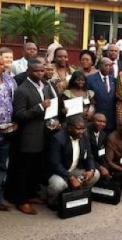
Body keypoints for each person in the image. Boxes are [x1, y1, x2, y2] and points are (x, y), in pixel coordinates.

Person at [12, 58, 54, 214]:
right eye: (37, 70)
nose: (41, 73)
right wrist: (39, 107)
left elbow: (51, 107)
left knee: (36, 168)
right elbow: (19, 115)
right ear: (29, 71)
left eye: (42, 70)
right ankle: (21, 201)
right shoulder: (22, 90)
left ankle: (31, 195)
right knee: (24, 170)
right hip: (28, 137)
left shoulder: (46, 86)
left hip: (44, 134)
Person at [47, 115, 100, 206]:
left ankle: (78, 195)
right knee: (58, 185)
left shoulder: (84, 136)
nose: (81, 132)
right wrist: (70, 178)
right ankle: (52, 201)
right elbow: (55, 164)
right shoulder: (58, 139)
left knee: (95, 174)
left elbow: (89, 156)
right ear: (69, 128)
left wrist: (91, 170)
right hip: (60, 172)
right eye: (78, 129)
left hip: (74, 169)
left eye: (83, 129)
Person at [0, 56, 17, 211]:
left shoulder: (10, 81)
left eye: (2, 64)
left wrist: (16, 123)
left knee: (3, 166)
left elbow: (15, 102)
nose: (2, 66)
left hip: (7, 131)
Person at [87, 57, 116, 132]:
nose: (109, 68)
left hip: (111, 119)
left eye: (110, 65)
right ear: (100, 66)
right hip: (97, 118)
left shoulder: (114, 80)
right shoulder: (90, 79)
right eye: (106, 65)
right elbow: (87, 98)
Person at [87, 113, 109, 178]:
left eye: (104, 122)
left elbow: (102, 153)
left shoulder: (103, 134)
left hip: (97, 160)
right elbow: (87, 155)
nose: (102, 124)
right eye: (99, 121)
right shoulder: (85, 133)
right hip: (86, 162)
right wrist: (100, 167)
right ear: (92, 121)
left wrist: (105, 166)